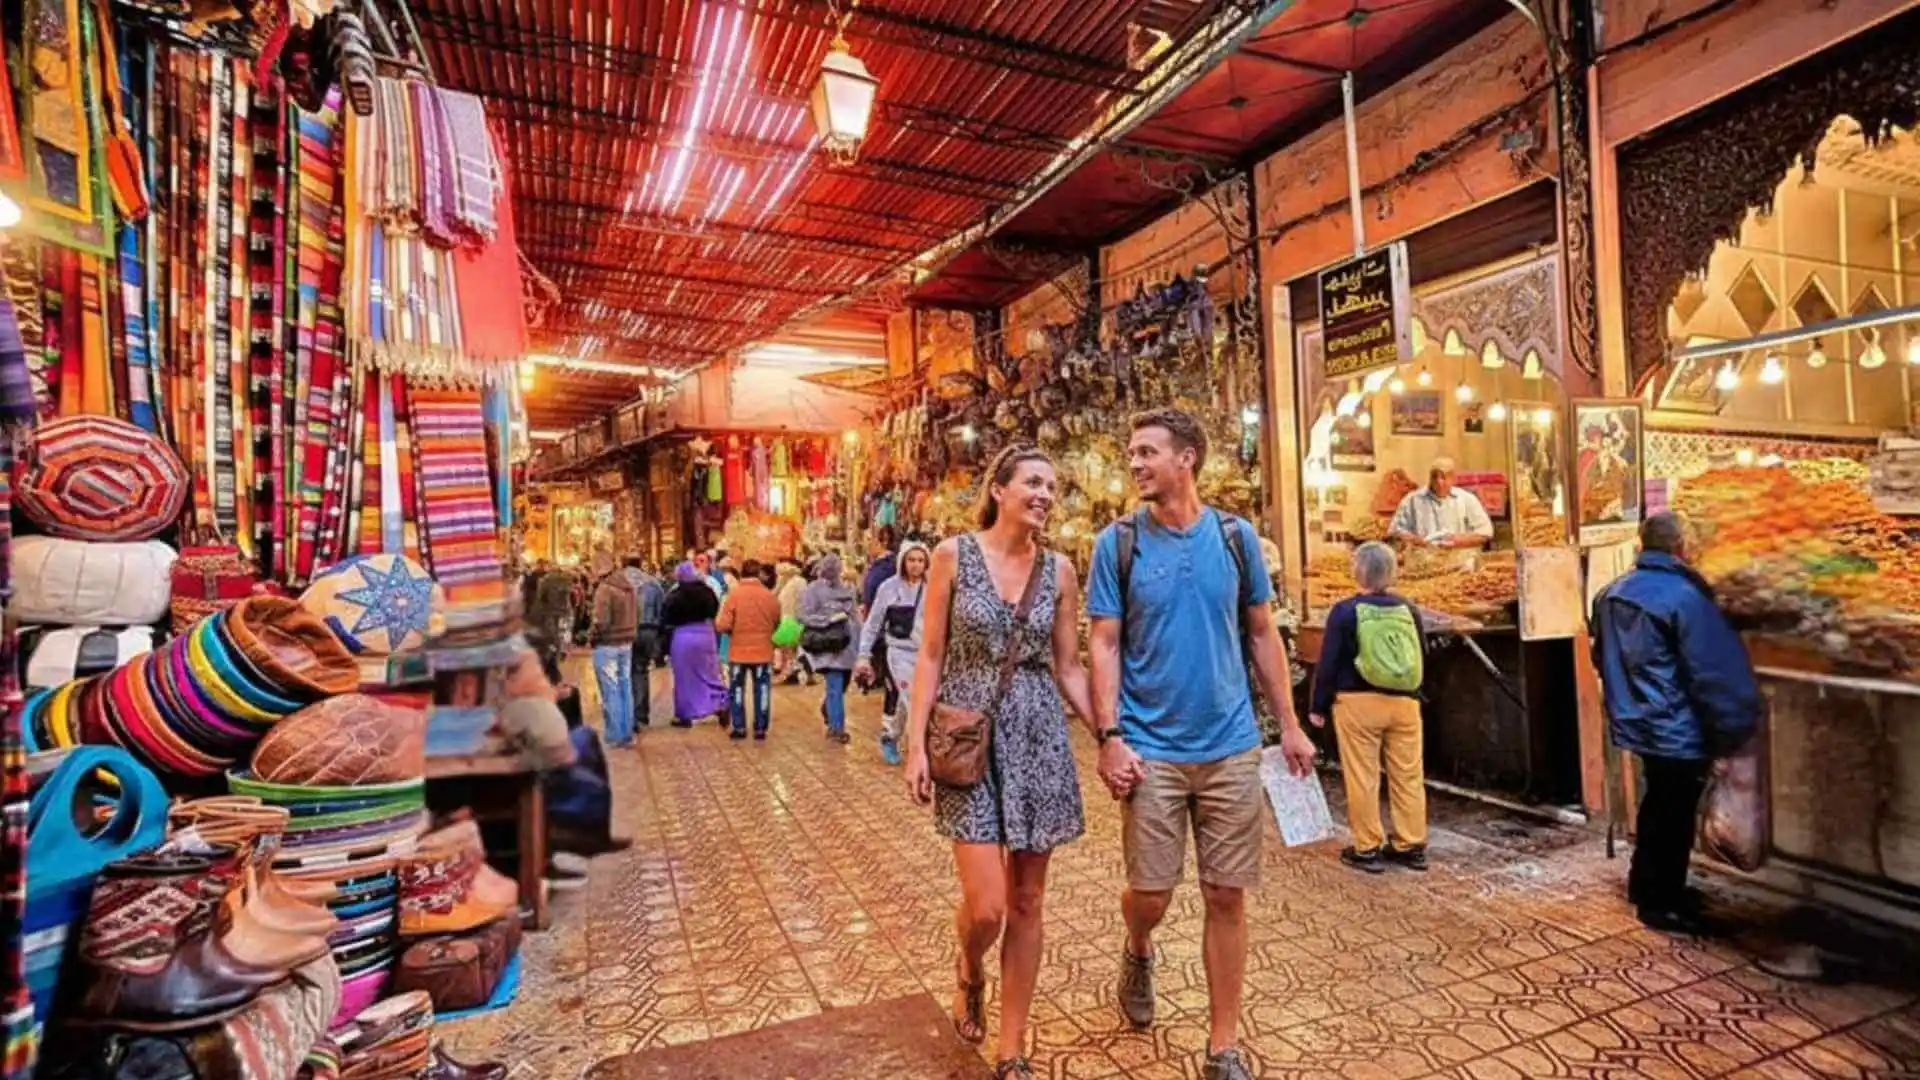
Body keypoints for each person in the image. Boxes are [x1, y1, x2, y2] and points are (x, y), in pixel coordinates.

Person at [1087, 408, 1314, 1080]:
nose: (1135, 464)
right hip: (1150, 747)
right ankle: (1139, 945)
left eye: (1146, 452)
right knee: (1150, 893)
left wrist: (1291, 722)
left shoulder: (1238, 539)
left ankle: (1222, 1046)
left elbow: (1262, 635)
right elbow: (1102, 642)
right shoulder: (1118, 543)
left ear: (1187, 458)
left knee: (1226, 894)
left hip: (1232, 745)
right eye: (1131, 453)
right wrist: (1108, 736)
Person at [902, 445, 1089, 1080]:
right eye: (1033, 482)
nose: (1044, 493)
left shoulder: (1060, 570)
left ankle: (1012, 1048)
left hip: (1038, 739)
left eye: (1052, 485)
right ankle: (968, 963)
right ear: (1000, 489)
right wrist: (914, 744)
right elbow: (930, 654)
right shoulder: (954, 555)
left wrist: (1111, 733)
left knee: (1029, 903)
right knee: (988, 906)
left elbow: (1069, 666)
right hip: (968, 737)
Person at [1591, 511, 1760, 935]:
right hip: (1678, 725)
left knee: (1658, 802)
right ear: (1682, 547)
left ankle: (1645, 884)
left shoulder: (1611, 593)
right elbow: (1710, 672)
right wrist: (1734, 729)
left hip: (1637, 718)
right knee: (1674, 812)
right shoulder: (1686, 598)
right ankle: (1660, 901)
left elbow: (1601, 657)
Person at [1309, 542, 1430, 873]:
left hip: (1358, 704)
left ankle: (1367, 848)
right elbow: (1421, 653)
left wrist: (1317, 705)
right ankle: (1411, 843)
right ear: (1392, 572)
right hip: (1405, 703)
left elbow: (1329, 661)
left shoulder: (1346, 611)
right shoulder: (1408, 608)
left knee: (1363, 776)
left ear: (1357, 571)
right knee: (1408, 775)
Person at [857, 539, 929, 767]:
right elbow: (874, 622)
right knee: (912, 698)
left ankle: (890, 735)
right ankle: (921, 747)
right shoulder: (889, 588)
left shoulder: (934, 587)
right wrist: (863, 654)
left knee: (909, 700)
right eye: (911, 560)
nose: (916, 565)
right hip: (899, 653)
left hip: (926, 654)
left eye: (920, 560)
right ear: (903, 561)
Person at [715, 558, 783, 740]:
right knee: (762, 688)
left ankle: (739, 727)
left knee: (737, 687)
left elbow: (722, 624)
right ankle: (760, 727)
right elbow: (778, 621)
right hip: (763, 652)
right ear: (759, 574)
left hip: (738, 652)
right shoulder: (769, 596)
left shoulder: (734, 596)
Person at [798, 554, 860, 744]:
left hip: (847, 644)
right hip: (827, 645)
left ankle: (829, 709)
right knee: (834, 684)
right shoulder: (813, 590)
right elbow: (803, 615)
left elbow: (855, 617)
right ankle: (837, 728)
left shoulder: (848, 590)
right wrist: (827, 620)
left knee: (841, 686)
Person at [663, 562, 729, 728]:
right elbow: (715, 610)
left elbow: (666, 616)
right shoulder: (707, 592)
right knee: (709, 672)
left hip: (683, 636)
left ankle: (685, 714)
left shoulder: (675, 595)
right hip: (705, 635)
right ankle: (719, 703)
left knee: (684, 677)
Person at [587, 554, 639, 749]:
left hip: (608, 643)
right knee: (625, 687)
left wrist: (591, 636)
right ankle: (627, 732)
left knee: (610, 689)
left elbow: (601, 620)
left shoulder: (605, 589)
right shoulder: (629, 586)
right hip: (627, 642)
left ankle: (615, 733)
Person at [1389, 456, 1493, 549]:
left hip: (1459, 559)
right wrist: (1418, 542)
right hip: (1424, 559)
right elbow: (1394, 532)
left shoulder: (1467, 499)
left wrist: (1458, 541)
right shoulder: (1412, 500)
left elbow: (1485, 532)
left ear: (1453, 478)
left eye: (1443, 477)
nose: (1439, 482)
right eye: (1435, 476)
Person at [861, 528, 902, 723]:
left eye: (870, 541)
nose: (867, 546)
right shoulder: (879, 567)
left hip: (891, 630)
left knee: (893, 681)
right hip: (880, 624)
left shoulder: (885, 569)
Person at [625, 557, 666, 729]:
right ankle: (641, 714)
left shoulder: (619, 583)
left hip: (626, 631)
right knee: (641, 670)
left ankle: (627, 714)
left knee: (625, 672)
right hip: (648, 630)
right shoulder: (653, 583)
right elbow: (661, 610)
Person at [774, 559, 810, 684]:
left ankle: (794, 671)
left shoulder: (795, 583)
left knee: (790, 650)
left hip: (791, 619)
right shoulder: (789, 583)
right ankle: (793, 671)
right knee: (789, 650)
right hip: (789, 618)